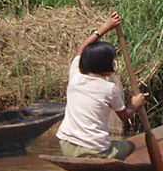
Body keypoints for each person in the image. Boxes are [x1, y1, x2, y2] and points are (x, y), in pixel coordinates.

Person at [56, 11, 146, 159]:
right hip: (95, 150)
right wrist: (136, 104)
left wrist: (104, 27)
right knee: (131, 146)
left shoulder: (75, 75)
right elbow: (124, 116)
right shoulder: (109, 89)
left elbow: (82, 48)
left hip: (66, 145)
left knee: (109, 142)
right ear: (106, 68)